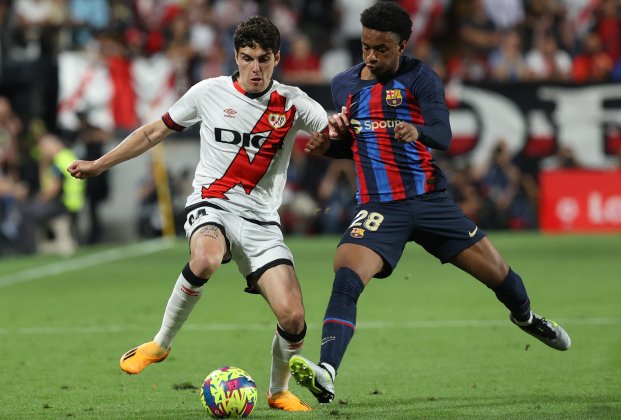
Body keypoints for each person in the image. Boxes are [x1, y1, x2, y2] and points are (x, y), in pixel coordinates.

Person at [288, 2, 571, 405]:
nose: (371, 55)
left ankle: (526, 318)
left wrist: (416, 130)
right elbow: (359, 144)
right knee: (346, 277)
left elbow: (443, 133)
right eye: (366, 47)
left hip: (431, 203)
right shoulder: (344, 85)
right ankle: (327, 372)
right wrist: (329, 146)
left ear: (402, 45)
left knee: (502, 278)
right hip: (380, 208)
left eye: (381, 49)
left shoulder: (421, 78)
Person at [67, 16, 329, 412]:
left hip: (262, 222)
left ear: (277, 58)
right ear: (235, 56)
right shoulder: (209, 92)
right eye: (246, 58)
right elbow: (153, 132)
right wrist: (100, 164)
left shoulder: (293, 103)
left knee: (293, 318)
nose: (254, 69)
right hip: (213, 204)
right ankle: (160, 343)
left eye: (263, 59)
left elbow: (332, 132)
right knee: (205, 258)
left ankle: (278, 391)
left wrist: (333, 136)